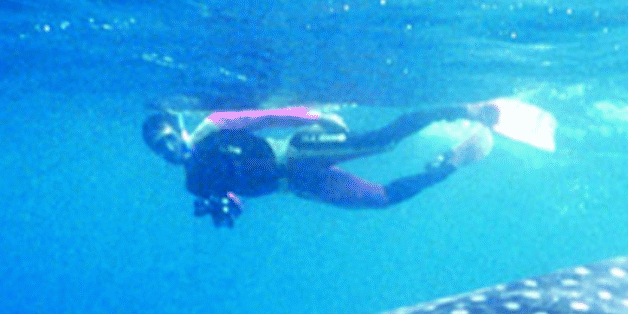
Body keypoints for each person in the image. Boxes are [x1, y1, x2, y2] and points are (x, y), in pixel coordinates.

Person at [143, 100, 552, 226]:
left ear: (178, 128)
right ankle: (451, 161)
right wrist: (227, 205)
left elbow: (266, 118)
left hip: (298, 152)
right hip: (298, 185)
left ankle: (463, 109)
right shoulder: (193, 184)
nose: (169, 152)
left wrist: (317, 117)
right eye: (160, 152)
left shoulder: (213, 127)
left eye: (168, 141)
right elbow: (235, 194)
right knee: (381, 200)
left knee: (381, 144)